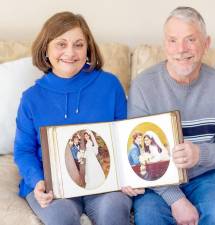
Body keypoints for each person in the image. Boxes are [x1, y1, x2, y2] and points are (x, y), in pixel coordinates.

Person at [124, 6, 215, 225]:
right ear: (164, 45)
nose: (181, 49)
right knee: (149, 217)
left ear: (206, 43)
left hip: (206, 177)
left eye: (190, 39)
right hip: (156, 182)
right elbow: (139, 156)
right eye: (173, 40)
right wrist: (176, 199)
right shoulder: (143, 86)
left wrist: (200, 153)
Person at [14, 11, 132, 225]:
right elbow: (23, 150)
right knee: (62, 216)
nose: (70, 52)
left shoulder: (109, 85)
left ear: (88, 49)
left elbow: (125, 137)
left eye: (78, 44)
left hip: (103, 183)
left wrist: (127, 176)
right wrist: (38, 181)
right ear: (46, 49)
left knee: (114, 208)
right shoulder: (31, 98)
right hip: (53, 185)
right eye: (61, 44)